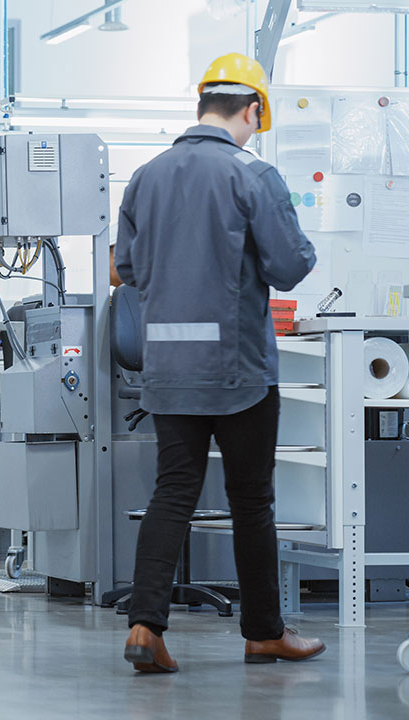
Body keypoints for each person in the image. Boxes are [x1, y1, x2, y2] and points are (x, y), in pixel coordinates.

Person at [114, 53, 323, 673]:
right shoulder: (253, 174)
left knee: (172, 491)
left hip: (167, 368)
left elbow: (127, 268)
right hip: (238, 370)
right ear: (253, 109)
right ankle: (263, 633)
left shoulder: (146, 175)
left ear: (203, 102)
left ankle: (145, 627)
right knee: (251, 500)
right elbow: (289, 267)